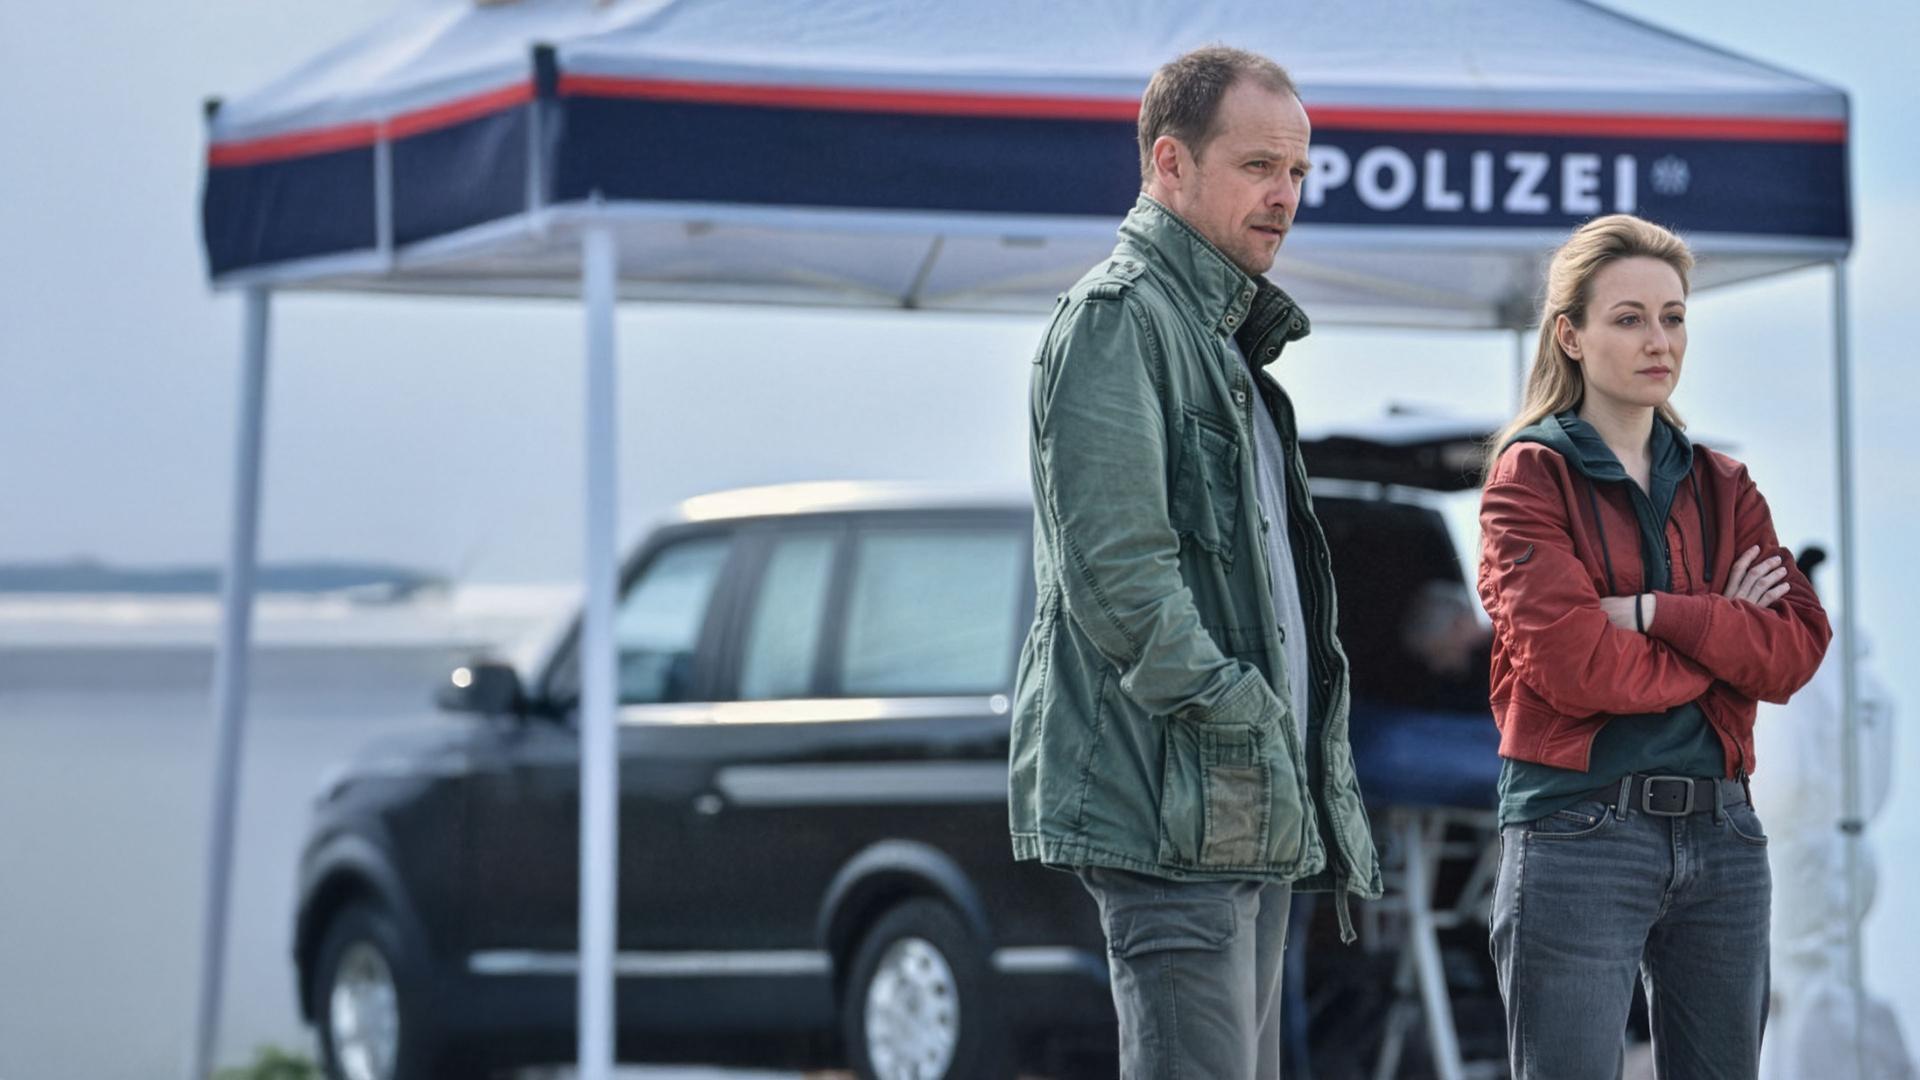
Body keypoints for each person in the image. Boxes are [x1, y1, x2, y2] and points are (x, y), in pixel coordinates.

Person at [1008, 45, 1381, 1078]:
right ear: (1169, 163)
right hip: (1177, 807)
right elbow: (1118, 576)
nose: (1287, 196)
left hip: (1237, 810)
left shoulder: (1221, 345)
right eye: (1260, 166)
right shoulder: (1121, 320)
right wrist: (1239, 709)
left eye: (1300, 173)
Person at [1475, 214, 1832, 1078]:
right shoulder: (1529, 475)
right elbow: (1575, 667)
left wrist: (1653, 612)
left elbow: (1793, 652)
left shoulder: (1724, 484)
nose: (1658, 340)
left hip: (1726, 834)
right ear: (1571, 333)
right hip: (1578, 828)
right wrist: (1718, 627)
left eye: (1673, 317)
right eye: (1629, 317)